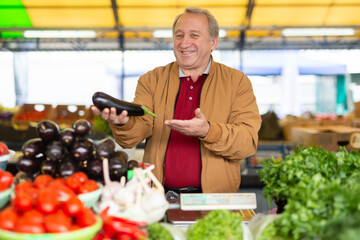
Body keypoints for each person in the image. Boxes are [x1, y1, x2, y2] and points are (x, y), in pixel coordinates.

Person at [91, 6, 261, 194]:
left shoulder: (236, 81)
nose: (184, 43)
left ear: (213, 42)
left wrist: (208, 131)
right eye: (179, 35)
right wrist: (124, 123)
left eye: (194, 35)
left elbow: (247, 142)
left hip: (215, 198)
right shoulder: (151, 80)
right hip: (157, 195)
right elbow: (136, 134)